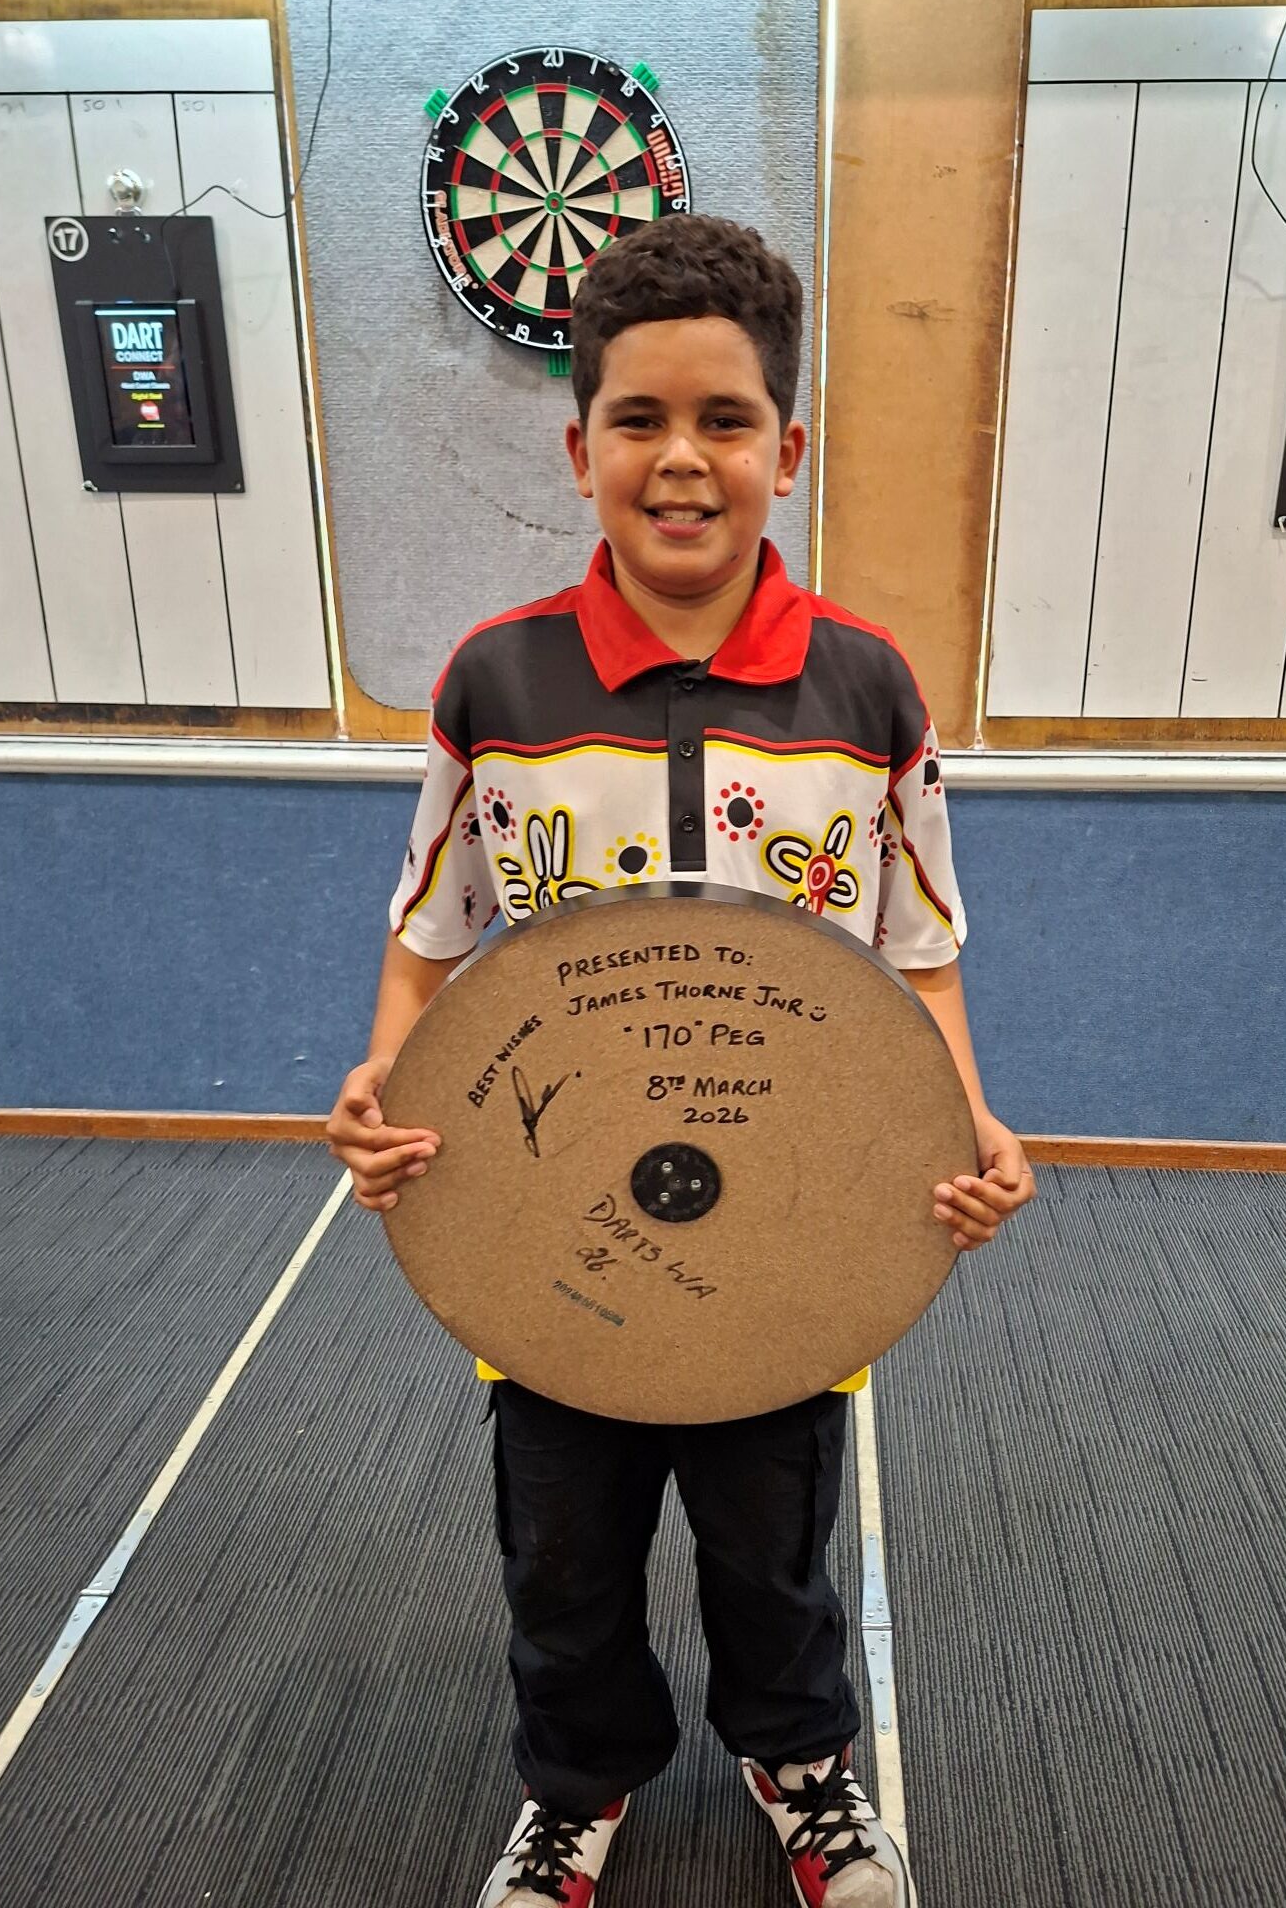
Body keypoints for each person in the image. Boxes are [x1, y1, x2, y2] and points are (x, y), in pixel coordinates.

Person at [327, 214, 1036, 1908]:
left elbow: (918, 955)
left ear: (786, 450)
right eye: (639, 419)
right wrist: (384, 1076)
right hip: (549, 1218)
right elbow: (432, 928)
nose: (682, 459)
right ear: (580, 451)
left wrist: (964, 1118)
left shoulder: (868, 690)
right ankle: (578, 1784)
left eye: (726, 419)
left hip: (790, 1227)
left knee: (772, 1546)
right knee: (560, 1553)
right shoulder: (496, 681)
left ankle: (803, 1770)